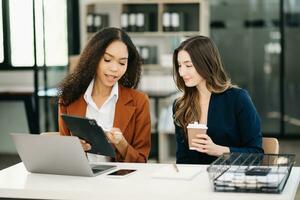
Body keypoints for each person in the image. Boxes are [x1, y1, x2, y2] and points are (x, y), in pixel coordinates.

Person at [57, 27, 151, 163]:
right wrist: (75, 149)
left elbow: (142, 161)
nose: (114, 69)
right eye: (107, 60)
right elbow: (63, 155)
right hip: (81, 181)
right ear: (93, 58)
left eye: (122, 63)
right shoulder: (69, 98)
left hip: (119, 182)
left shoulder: (139, 102)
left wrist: (122, 145)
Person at [172, 35, 263, 164]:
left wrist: (218, 150)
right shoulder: (180, 105)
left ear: (205, 64)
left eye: (188, 65)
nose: (181, 72)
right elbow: (182, 160)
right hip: (194, 181)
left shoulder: (237, 99)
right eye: (179, 65)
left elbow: (256, 155)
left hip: (231, 179)